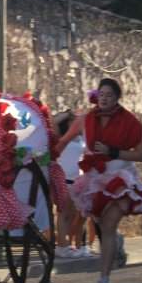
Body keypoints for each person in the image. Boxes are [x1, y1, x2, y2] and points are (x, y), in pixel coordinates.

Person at [56, 78, 142, 283]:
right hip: (94, 180)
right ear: (96, 96)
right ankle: (115, 243)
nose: (104, 98)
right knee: (100, 223)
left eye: (109, 95)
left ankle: (103, 280)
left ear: (117, 98)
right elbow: (63, 141)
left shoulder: (129, 122)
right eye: (101, 94)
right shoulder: (85, 120)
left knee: (107, 226)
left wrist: (113, 151)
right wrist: (47, 156)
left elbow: (141, 155)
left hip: (121, 179)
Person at [52, 109, 92, 258]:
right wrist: (69, 113)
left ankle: (78, 245)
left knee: (80, 214)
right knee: (64, 213)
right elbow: (54, 121)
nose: (76, 119)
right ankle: (63, 246)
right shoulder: (60, 135)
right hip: (63, 178)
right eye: (72, 118)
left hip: (78, 180)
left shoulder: (79, 135)